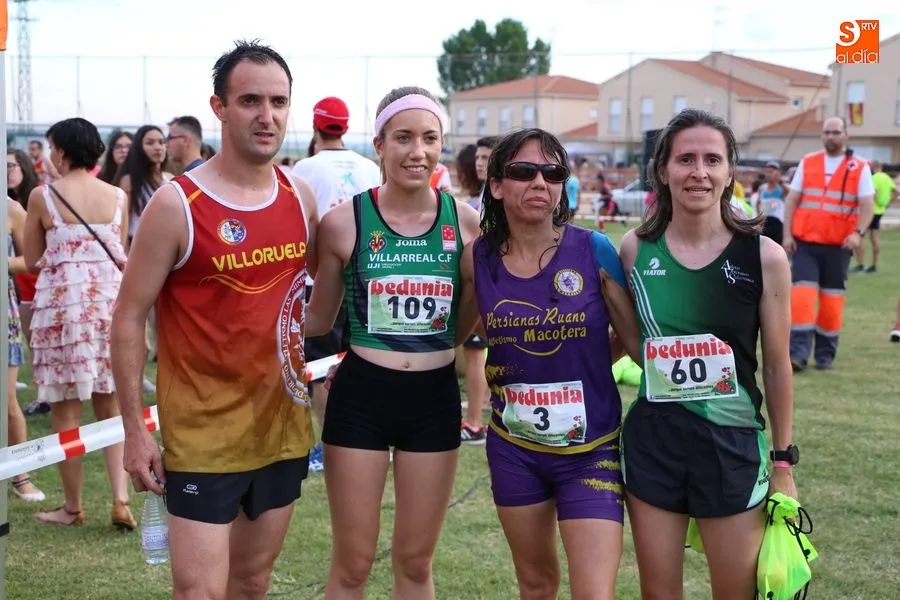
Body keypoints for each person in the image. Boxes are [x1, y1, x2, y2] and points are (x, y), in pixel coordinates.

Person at [111, 40, 319, 600]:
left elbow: (311, 307)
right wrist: (135, 430)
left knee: (252, 583)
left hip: (281, 431)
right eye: (250, 100)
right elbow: (128, 317)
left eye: (278, 101)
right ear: (219, 108)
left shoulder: (300, 198)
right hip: (202, 438)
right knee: (199, 591)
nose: (266, 115)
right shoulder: (177, 205)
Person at [304, 86, 481, 599]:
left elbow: (471, 316)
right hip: (360, 399)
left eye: (429, 139)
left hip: (433, 402)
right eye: (403, 137)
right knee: (353, 565)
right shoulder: (342, 223)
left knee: (415, 564)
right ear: (378, 144)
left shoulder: (466, 224)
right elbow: (318, 320)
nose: (417, 151)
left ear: (442, 145)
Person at [617, 108, 797, 599]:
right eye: (686, 159)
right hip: (654, 443)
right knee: (658, 593)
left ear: (729, 171)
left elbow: (779, 367)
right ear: (663, 170)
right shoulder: (634, 250)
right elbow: (629, 341)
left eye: (712, 159)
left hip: (732, 443)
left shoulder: (764, 256)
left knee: (734, 592)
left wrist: (783, 462)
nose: (699, 172)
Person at [463, 127, 640, 600]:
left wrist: (585, 362)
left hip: (592, 448)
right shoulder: (477, 259)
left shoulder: (595, 249)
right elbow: (449, 341)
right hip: (514, 450)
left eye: (553, 172)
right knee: (536, 584)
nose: (540, 182)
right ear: (496, 185)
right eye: (523, 171)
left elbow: (636, 345)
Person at [23, 118, 135, 529]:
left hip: (62, 312)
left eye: (53, 147)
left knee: (65, 412)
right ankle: (120, 498)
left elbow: (35, 257)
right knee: (111, 405)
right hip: (108, 307)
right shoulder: (116, 197)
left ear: (63, 151)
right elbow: (119, 251)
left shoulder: (43, 196)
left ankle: (72, 507)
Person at [292, 96, 381, 470]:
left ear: (316, 125)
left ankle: (327, 447)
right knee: (365, 363)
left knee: (319, 367)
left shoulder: (303, 168)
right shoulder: (370, 168)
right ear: (345, 127)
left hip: (321, 281)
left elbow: (301, 227)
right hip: (366, 278)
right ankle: (368, 438)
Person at [782, 116, 875, 371]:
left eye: (836, 132)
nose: (831, 136)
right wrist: (787, 235)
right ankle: (797, 354)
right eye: (827, 132)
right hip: (805, 244)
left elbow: (868, 205)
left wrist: (858, 233)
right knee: (801, 298)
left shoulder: (860, 167)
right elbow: (792, 201)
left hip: (838, 246)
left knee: (831, 302)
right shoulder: (808, 162)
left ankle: (825, 355)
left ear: (846, 135)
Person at [6, 196, 46, 502]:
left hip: (4, 318)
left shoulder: (10, 208)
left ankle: (20, 476)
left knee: (7, 402)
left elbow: (32, 260)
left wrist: (4, 263)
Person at [853, 160, 897, 273]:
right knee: (874, 238)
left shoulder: (873, 178)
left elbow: (873, 193)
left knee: (860, 235)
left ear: (871, 167)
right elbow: (896, 192)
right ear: (881, 166)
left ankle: (861, 265)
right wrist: (887, 203)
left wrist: (875, 201)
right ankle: (874, 265)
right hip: (880, 212)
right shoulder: (887, 178)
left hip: (871, 212)